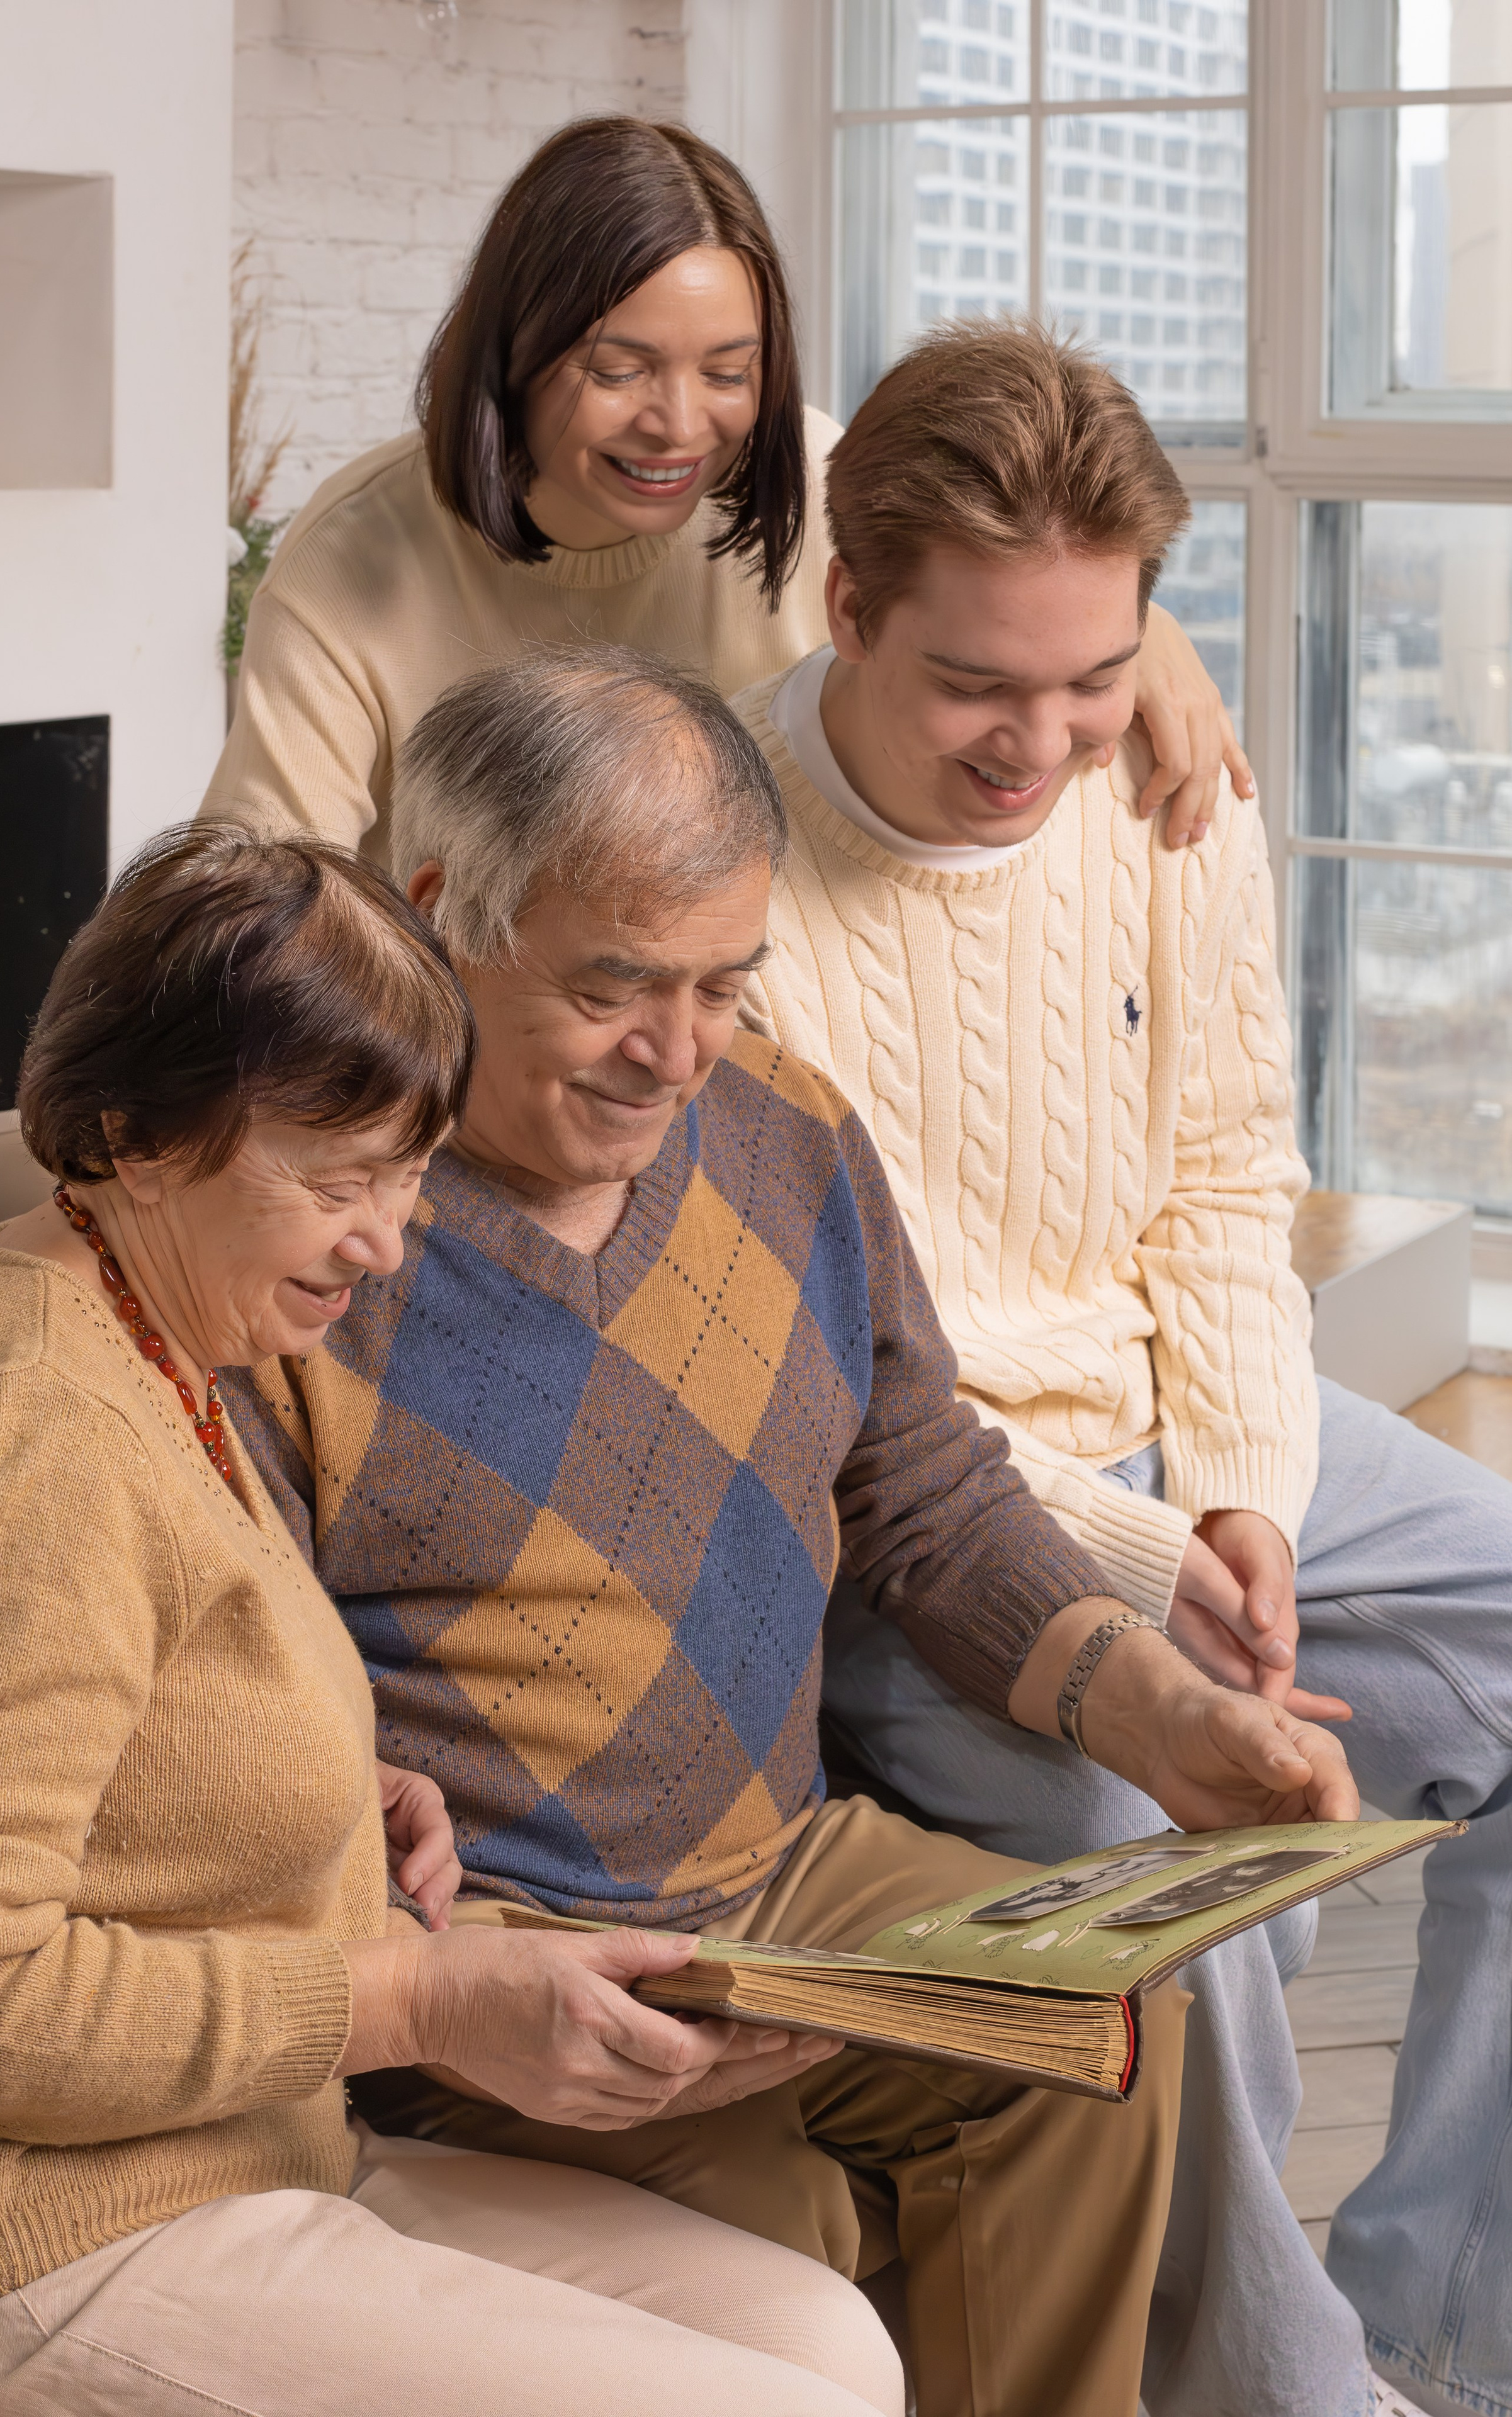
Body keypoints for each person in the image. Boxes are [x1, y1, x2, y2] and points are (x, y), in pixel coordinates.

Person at [223, 649, 1360, 2417]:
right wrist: (433, 1959)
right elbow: (236, 1702)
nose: (678, 1051)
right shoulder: (316, 1226)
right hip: (509, 1948)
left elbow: (925, 1491)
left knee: (1103, 2038)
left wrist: (1171, 1716)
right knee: (782, 2256)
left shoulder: (791, 1137)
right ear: (445, 912)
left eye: (723, 986)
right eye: (617, 988)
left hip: (788, 1876)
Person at [729, 320, 1510, 2417]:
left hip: (1201, 1438)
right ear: (847, 604)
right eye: (975, 685)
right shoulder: (722, 871)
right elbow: (842, 1400)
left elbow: (1225, 1186)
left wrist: (1245, 1492)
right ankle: (1284, 2394)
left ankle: (1452, 2321)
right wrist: (1147, 1564)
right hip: (943, 1525)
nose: (1038, 742)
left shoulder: (1161, 788)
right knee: (1182, 1867)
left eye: (1092, 676)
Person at [0, 824, 908, 2417]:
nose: (383, 1243)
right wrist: (412, 1995)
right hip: (38, 2246)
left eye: (410, 1173)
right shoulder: (41, 1425)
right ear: (133, 1136)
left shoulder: (164, 1332)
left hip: (258, 2153)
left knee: (825, 2347)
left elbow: (122, 1726)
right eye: (337, 1180)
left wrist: (313, 1805)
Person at [200, 113, 1246, 871]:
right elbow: (258, 894)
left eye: (729, 372)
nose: (680, 423)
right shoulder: (358, 555)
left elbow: (1025, 570)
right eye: (619, 370)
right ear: (513, 352)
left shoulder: (808, 466)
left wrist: (1144, 641)